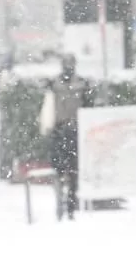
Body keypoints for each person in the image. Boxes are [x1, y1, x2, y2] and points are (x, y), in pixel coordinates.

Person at [38, 54, 90, 219]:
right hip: (59, 131)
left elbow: (88, 106)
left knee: (73, 172)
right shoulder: (54, 84)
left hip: (75, 131)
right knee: (59, 171)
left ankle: (71, 206)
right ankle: (61, 202)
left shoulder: (81, 84)